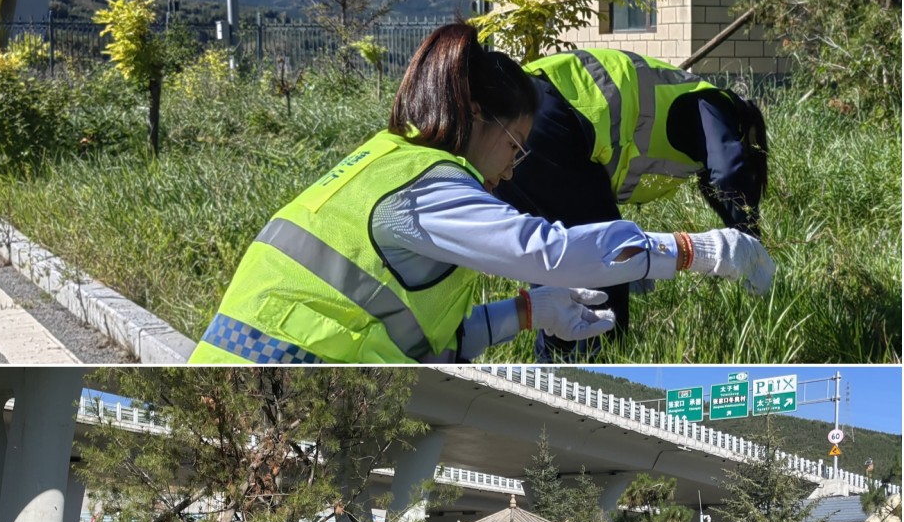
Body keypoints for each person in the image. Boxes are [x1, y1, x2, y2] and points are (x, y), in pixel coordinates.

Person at [190, 22, 775, 364]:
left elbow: (438, 343)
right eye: (515, 145)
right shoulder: (430, 189)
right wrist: (708, 251)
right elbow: (555, 252)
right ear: (476, 116)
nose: (515, 169)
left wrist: (528, 311)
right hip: (286, 369)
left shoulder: (389, 160)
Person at [494, 47, 769, 357]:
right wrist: (750, 241)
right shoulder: (715, 103)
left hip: (511, 121)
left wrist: (638, 261)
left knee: (553, 261)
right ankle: (598, 359)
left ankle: (557, 359)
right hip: (547, 116)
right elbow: (730, 171)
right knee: (603, 257)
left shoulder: (685, 107)